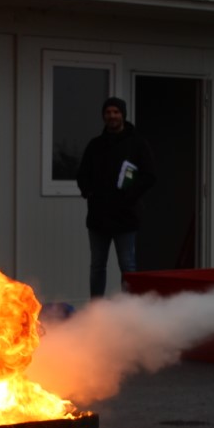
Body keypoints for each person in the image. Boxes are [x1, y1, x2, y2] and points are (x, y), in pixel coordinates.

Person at [77, 97, 156, 298]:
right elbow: (82, 174)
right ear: (103, 116)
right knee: (97, 266)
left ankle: (129, 309)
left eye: (116, 112)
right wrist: (89, 192)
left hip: (126, 217)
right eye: (108, 112)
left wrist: (129, 197)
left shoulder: (138, 144)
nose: (112, 116)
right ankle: (96, 309)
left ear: (123, 115)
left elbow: (149, 176)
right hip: (98, 218)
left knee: (128, 266)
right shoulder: (95, 145)